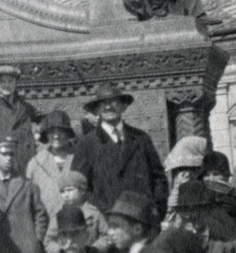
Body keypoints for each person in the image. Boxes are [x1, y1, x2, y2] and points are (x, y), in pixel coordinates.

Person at [71, 82, 168, 218]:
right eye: (103, 103)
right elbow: (78, 185)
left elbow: (158, 179)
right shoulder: (87, 143)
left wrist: (155, 209)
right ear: (97, 110)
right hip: (106, 220)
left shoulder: (141, 138)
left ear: (123, 106)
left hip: (141, 219)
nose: (108, 106)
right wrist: (102, 211)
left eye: (114, 101)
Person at [20, 109, 73, 249]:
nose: (56, 136)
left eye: (61, 131)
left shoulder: (79, 158)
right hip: (48, 233)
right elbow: (29, 202)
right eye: (52, 131)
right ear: (46, 134)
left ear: (68, 133)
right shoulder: (35, 163)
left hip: (76, 227)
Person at [0, 65, 39, 177]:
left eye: (10, 81)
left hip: (23, 161)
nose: (6, 85)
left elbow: (42, 120)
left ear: (16, 83)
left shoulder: (26, 107)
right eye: (2, 82)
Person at [40, 171, 109, 253]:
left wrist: (94, 249)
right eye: (62, 191)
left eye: (70, 190)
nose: (66, 195)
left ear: (82, 190)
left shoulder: (94, 214)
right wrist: (60, 251)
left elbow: (107, 236)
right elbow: (49, 241)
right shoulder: (59, 215)